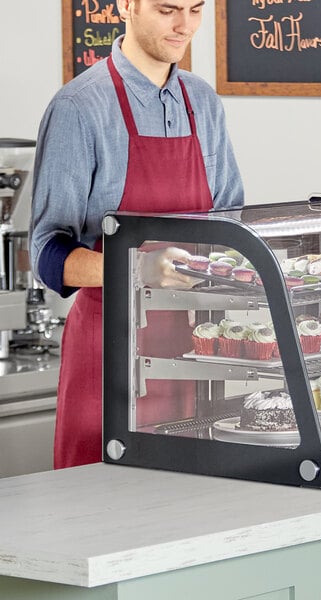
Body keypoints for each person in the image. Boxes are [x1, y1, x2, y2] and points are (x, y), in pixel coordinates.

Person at [29, 0, 244, 469]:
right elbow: (47, 253)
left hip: (195, 356)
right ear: (127, 5)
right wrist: (138, 267)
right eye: (168, 9)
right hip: (111, 358)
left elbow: (231, 224)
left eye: (195, 9)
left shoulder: (202, 101)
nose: (184, 26)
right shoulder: (79, 107)